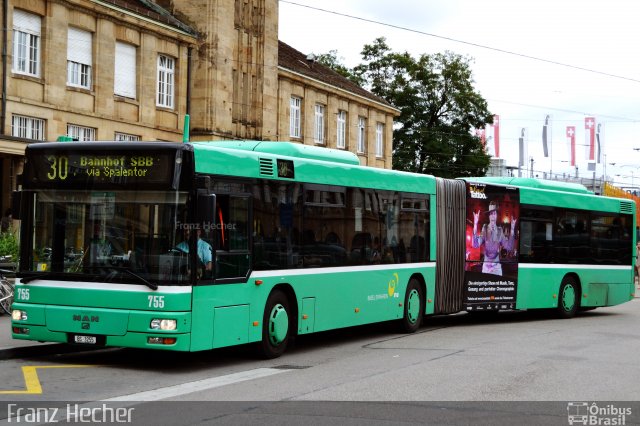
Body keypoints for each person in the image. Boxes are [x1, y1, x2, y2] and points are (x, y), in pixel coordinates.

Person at [472, 201, 516, 276]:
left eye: (494, 213)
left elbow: (509, 247)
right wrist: (475, 225)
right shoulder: (485, 228)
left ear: (496, 216)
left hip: (497, 268)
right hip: (486, 267)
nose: (493, 216)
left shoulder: (500, 230)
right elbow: (475, 244)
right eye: (491, 214)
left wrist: (512, 230)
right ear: (489, 216)